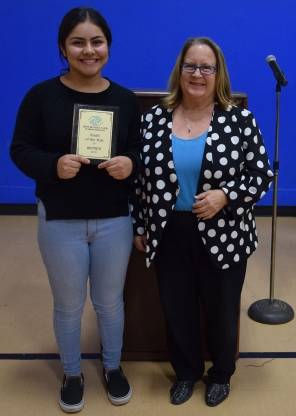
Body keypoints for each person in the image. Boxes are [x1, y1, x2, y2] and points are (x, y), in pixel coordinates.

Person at [10, 7, 141, 413]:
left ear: (108, 46)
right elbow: (20, 149)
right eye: (78, 42)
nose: (89, 50)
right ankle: (71, 372)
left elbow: (139, 148)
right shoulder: (40, 95)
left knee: (109, 303)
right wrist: (52, 165)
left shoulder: (124, 98)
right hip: (60, 220)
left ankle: (113, 366)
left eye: (97, 41)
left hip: (115, 220)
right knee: (67, 306)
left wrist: (131, 163)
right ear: (63, 48)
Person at [131, 37, 273, 407]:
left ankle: (222, 373)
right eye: (190, 66)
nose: (197, 74)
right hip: (168, 232)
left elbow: (260, 176)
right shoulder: (152, 120)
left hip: (224, 228)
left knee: (222, 308)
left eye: (206, 67)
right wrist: (140, 226)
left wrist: (225, 195)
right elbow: (138, 182)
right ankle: (188, 372)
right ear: (179, 71)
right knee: (176, 307)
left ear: (217, 73)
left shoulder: (239, 119)